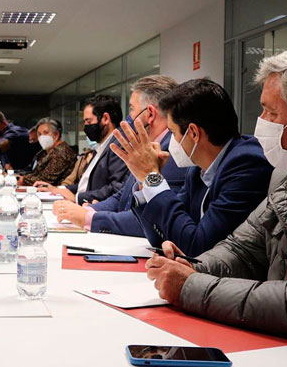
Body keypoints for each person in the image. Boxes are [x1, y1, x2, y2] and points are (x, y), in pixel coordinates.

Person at [147, 40, 287, 343]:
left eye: (271, 112)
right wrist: (192, 267)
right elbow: (243, 249)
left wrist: (191, 286)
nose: (262, 124)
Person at [115, 78, 273, 257]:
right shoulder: (197, 170)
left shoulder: (246, 165)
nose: (172, 141)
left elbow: (199, 247)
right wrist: (146, 182)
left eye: (173, 132)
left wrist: (152, 178)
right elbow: (160, 236)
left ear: (193, 133)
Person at [53, 75, 187, 236]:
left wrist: (90, 219)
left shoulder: (174, 152)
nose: (129, 117)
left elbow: (157, 218)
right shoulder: (148, 147)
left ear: (150, 114)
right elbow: (123, 195)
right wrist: (90, 210)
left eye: (132, 109)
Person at [36, 95, 129, 204]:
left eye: (88, 122)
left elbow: (115, 189)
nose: (85, 127)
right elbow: (86, 184)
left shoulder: (118, 146)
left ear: (105, 119)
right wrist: (59, 189)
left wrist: (77, 198)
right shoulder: (101, 146)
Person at [19, 118, 76, 186]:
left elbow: (45, 181)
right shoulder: (46, 151)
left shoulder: (61, 152)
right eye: (39, 134)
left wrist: (23, 179)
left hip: (56, 191)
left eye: (45, 133)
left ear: (56, 135)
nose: (42, 137)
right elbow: (35, 173)